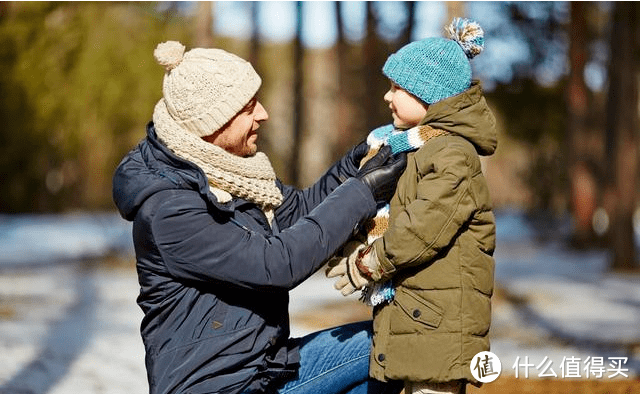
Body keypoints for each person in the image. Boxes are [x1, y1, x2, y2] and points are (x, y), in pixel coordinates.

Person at [112, 41, 407, 394]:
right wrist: (362, 193)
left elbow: (298, 212)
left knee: (396, 340)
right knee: (396, 345)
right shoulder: (170, 209)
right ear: (214, 121)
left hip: (266, 368)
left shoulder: (223, 172)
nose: (263, 114)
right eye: (249, 107)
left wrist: (355, 166)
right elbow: (274, 265)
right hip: (225, 387)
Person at [326, 18, 498, 394]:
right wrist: (353, 241)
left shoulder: (453, 154)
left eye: (397, 88)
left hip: (440, 324)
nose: (387, 97)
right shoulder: (414, 148)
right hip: (418, 314)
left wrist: (369, 263)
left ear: (429, 94)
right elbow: (394, 210)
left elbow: (424, 226)